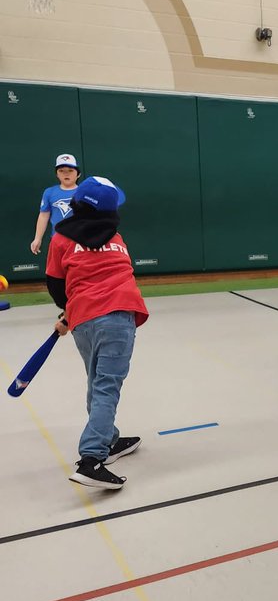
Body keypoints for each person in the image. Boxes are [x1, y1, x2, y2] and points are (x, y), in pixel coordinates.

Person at [46, 176, 149, 491]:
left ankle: (110, 439)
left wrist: (67, 312)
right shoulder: (116, 237)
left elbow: (55, 283)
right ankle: (90, 459)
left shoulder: (60, 239)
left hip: (82, 322)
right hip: (117, 317)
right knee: (106, 387)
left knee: (97, 380)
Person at [31, 153, 80, 255]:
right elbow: (44, 215)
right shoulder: (49, 192)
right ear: (57, 174)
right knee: (58, 269)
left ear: (78, 174)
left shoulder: (85, 191)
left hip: (80, 239)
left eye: (70, 171)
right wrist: (37, 238)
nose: (66, 174)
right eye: (61, 171)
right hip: (58, 239)